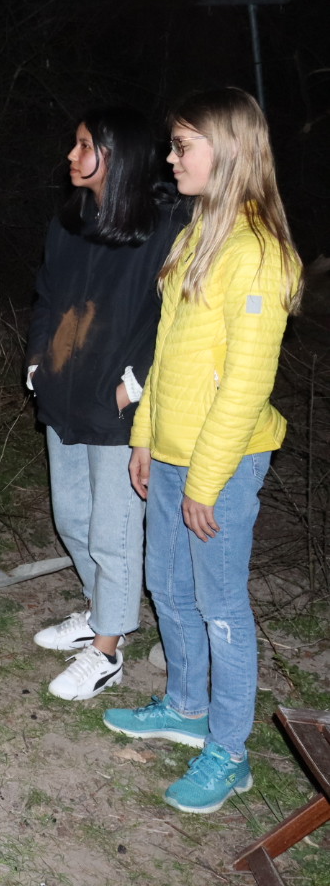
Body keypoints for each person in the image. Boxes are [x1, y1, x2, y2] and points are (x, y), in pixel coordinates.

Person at [103, 88, 300, 814]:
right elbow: (168, 349)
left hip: (224, 464)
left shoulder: (257, 253)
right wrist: (147, 437)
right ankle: (185, 706)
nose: (171, 156)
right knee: (171, 591)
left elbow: (245, 386)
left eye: (184, 145)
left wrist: (207, 483)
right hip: (175, 454)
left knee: (221, 607)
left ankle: (230, 750)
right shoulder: (196, 233)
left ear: (230, 151)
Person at [26, 107, 187, 701]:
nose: (71, 155)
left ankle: (108, 651)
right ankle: (102, 613)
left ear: (117, 157)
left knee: (113, 530)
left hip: (119, 408)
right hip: (64, 391)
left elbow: (178, 320)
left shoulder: (168, 226)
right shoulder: (71, 221)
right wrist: (37, 362)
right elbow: (45, 295)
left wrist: (134, 386)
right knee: (72, 517)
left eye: (85, 145)